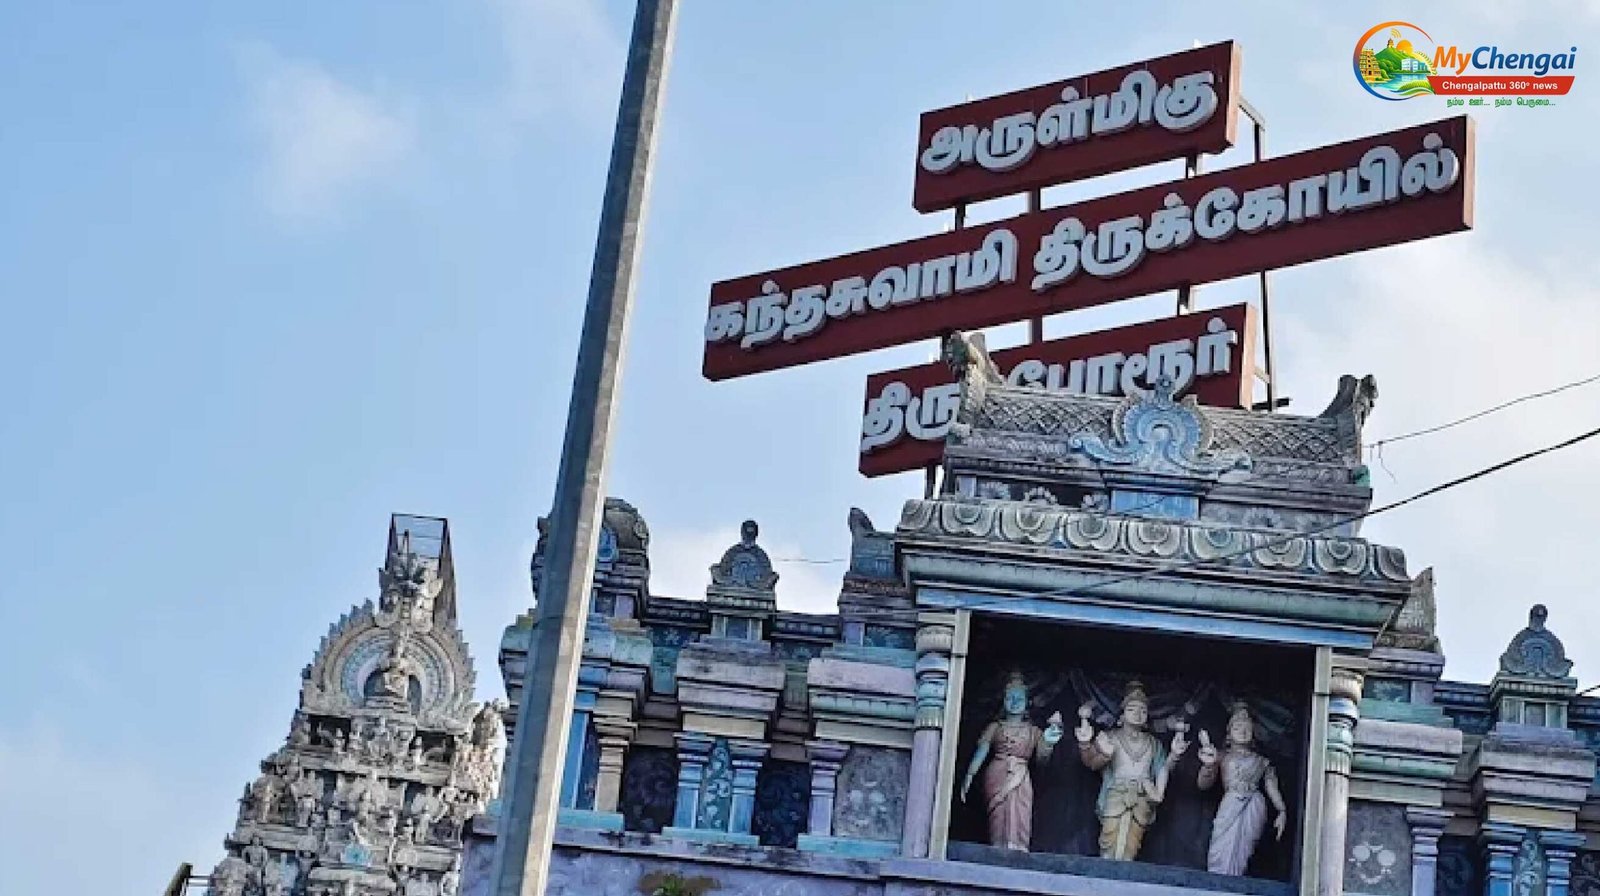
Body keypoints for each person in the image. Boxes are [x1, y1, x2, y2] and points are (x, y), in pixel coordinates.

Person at [1076, 680, 1188, 861]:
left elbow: (1162, 768)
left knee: (1132, 845)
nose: (1138, 714)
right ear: (1122, 714)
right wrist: (1088, 745)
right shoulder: (1111, 737)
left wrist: (1174, 755)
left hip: (1142, 797)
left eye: (1143, 711)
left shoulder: (1153, 743)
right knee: (1109, 840)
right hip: (1116, 794)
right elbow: (1091, 763)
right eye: (1132, 709)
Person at [959, 671, 1063, 851]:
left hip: (1021, 775)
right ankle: (998, 844)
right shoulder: (995, 727)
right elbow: (982, 750)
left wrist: (1048, 740)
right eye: (1010, 698)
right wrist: (969, 775)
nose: (1014, 703)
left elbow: (1042, 760)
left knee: (1020, 810)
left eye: (1019, 698)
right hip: (998, 773)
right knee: (999, 812)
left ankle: (1018, 846)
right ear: (1003, 701)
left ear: (1027, 703)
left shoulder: (1033, 731)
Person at [1197, 701, 1287, 876]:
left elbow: (1271, 787)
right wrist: (1208, 765)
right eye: (1237, 727)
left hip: (1254, 804)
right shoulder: (1222, 756)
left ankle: (1236, 878)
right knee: (1220, 846)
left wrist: (1282, 810)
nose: (1243, 731)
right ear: (1229, 733)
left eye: (1247, 727)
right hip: (1230, 802)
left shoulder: (1262, 761)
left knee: (1244, 849)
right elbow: (1203, 785)